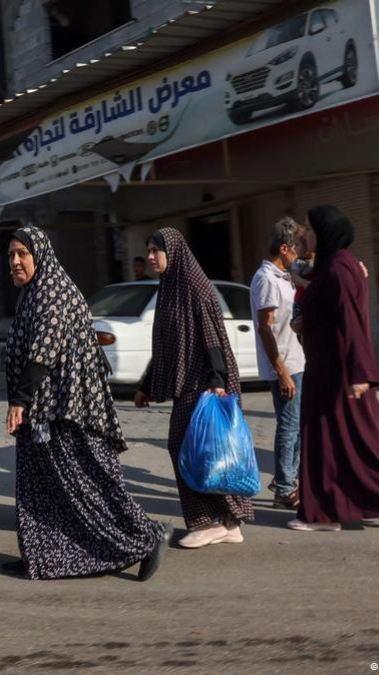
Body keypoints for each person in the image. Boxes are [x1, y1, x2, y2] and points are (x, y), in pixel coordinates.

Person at [4, 226, 169, 581]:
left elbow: (43, 350)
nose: (15, 261)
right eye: (11, 255)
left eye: (22, 254)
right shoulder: (32, 293)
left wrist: (20, 400)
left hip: (69, 410)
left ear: (40, 255)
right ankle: (41, 553)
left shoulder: (53, 292)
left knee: (87, 485)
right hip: (44, 410)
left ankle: (147, 538)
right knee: (41, 486)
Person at [290, 205, 379, 532]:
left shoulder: (341, 269)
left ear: (327, 233)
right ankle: (327, 512)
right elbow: (325, 303)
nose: (306, 235)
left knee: (362, 441)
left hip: (339, 373)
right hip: (328, 371)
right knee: (333, 441)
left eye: (311, 231)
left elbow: (352, 322)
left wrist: (360, 374)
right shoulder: (333, 266)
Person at [135, 228, 253, 549]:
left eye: (155, 250)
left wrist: (216, 381)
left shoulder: (195, 287)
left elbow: (212, 337)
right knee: (202, 452)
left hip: (205, 382)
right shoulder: (169, 287)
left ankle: (212, 521)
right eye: (148, 250)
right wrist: (146, 384)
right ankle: (228, 522)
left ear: (173, 252)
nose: (150, 257)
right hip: (189, 382)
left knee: (195, 450)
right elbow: (164, 345)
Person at [250, 217, 307, 510]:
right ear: (284, 248)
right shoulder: (265, 279)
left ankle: (288, 479)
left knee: (297, 426)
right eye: (295, 248)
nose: (298, 253)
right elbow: (265, 328)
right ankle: (284, 489)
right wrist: (281, 372)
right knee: (288, 426)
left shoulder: (284, 276)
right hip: (284, 364)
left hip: (297, 360)